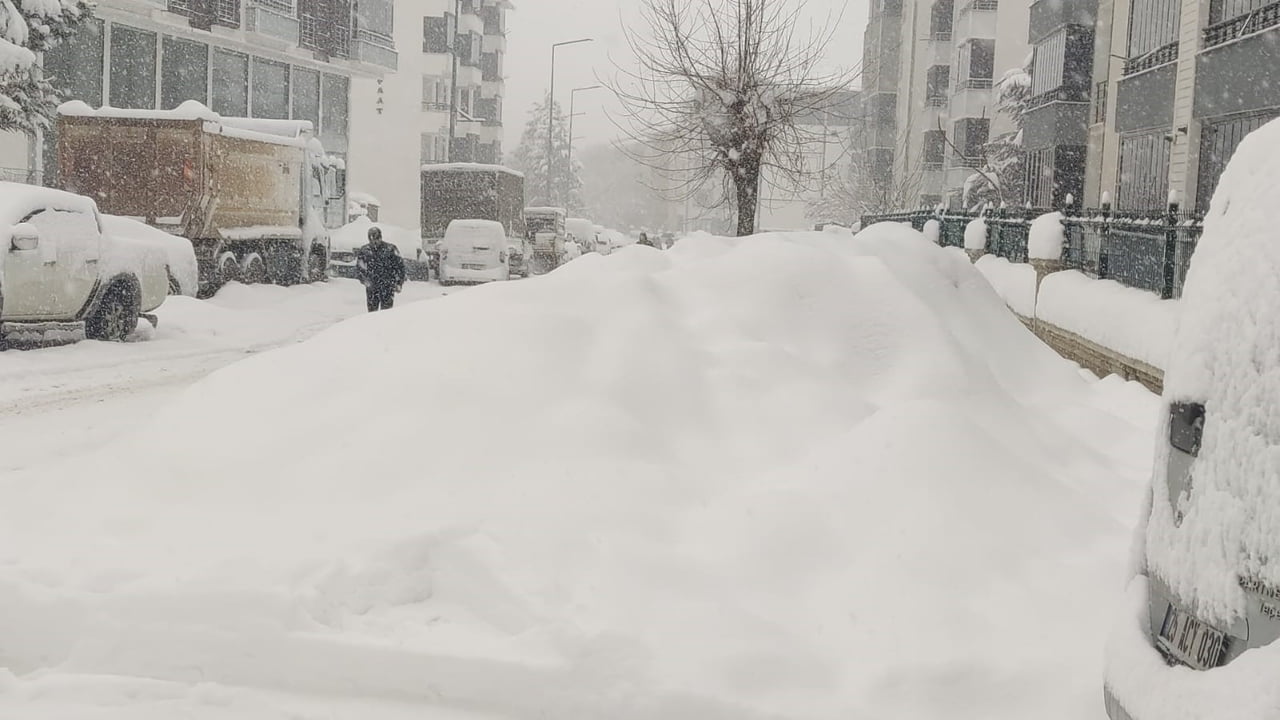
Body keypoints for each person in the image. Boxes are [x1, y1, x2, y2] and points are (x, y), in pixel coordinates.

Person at [355, 225, 406, 312]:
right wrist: (364, 280)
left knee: (386, 313)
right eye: (372, 239)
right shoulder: (365, 251)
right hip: (372, 287)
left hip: (388, 287)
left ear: (381, 238)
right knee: (372, 314)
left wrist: (399, 283)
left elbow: (400, 267)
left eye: (377, 239)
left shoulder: (390, 249)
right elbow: (360, 268)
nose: (374, 242)